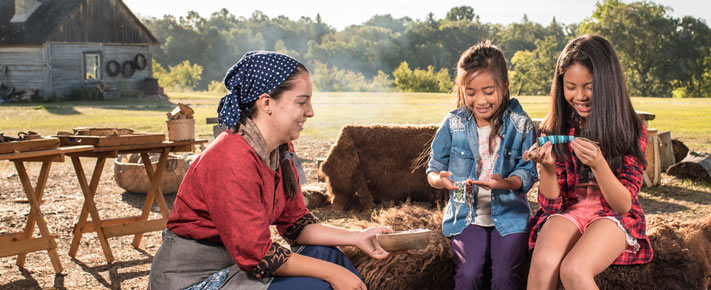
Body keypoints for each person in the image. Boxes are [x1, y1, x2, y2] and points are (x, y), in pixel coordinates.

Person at [149, 51, 391, 290]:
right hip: (196, 279)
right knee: (318, 284)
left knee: (326, 254)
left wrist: (356, 237)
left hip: (237, 267)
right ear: (266, 103)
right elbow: (258, 255)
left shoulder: (281, 150)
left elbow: (296, 224)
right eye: (302, 101)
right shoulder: (230, 156)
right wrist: (335, 274)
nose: (310, 112)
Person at [524, 35, 653, 290]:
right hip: (569, 209)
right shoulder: (555, 128)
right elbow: (551, 206)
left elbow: (623, 203)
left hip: (613, 216)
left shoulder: (629, 128)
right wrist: (547, 167)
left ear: (608, 84)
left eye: (589, 86)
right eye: (570, 87)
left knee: (574, 270)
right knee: (543, 262)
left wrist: (599, 164)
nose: (579, 96)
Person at [425, 40, 537, 290]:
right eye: (471, 92)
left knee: (505, 278)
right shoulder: (453, 123)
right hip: (466, 217)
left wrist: (505, 183)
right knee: (469, 273)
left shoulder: (521, 124)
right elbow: (433, 168)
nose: (480, 100)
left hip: (511, 217)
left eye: (489, 91)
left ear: (505, 86)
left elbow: (527, 172)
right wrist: (439, 180)